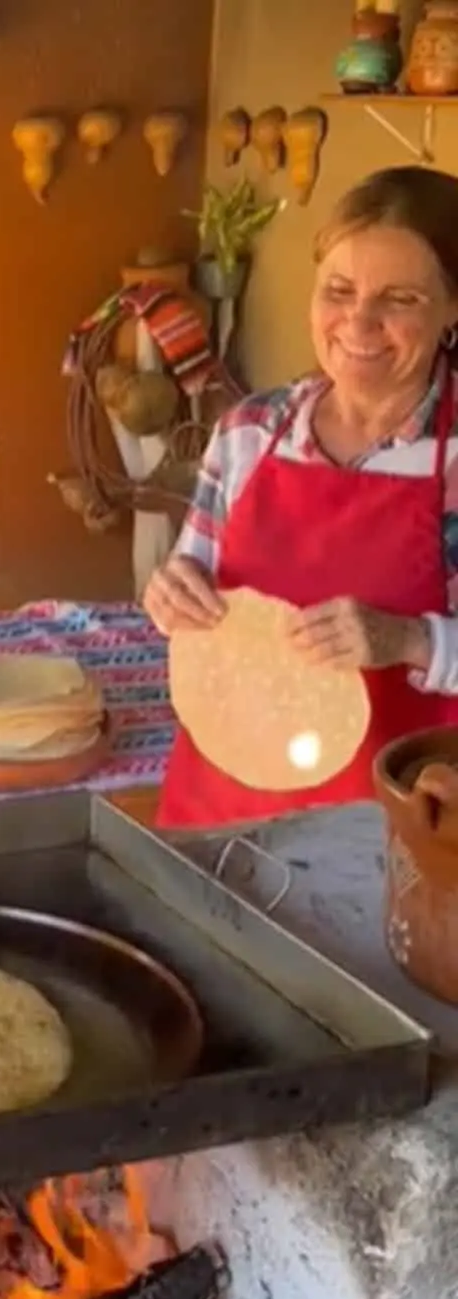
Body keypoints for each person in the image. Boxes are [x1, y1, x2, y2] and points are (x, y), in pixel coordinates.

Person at [143, 165, 458, 831]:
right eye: (338, 290)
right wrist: (170, 594)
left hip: (391, 833)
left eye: (400, 299)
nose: (359, 322)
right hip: (215, 809)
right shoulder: (249, 432)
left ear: (453, 310)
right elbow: (189, 592)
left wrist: (405, 639)